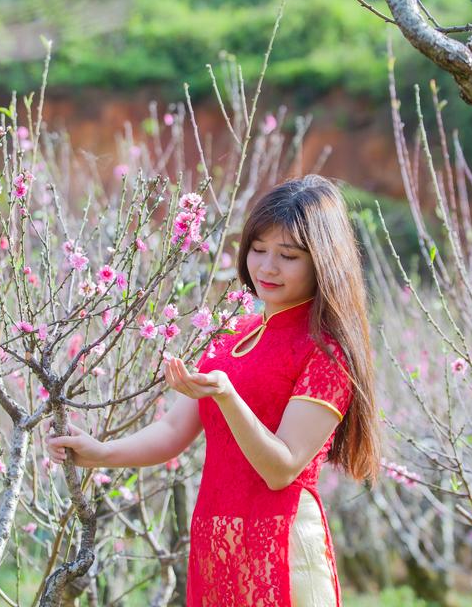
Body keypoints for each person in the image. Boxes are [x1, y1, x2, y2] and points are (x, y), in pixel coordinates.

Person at [45, 174, 380, 606]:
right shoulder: (231, 336)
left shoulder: (326, 353)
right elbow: (172, 431)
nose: (267, 267)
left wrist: (227, 395)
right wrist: (100, 452)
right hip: (217, 543)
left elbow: (281, 469)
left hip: (284, 544)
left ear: (323, 262)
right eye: (258, 250)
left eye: (288, 256)